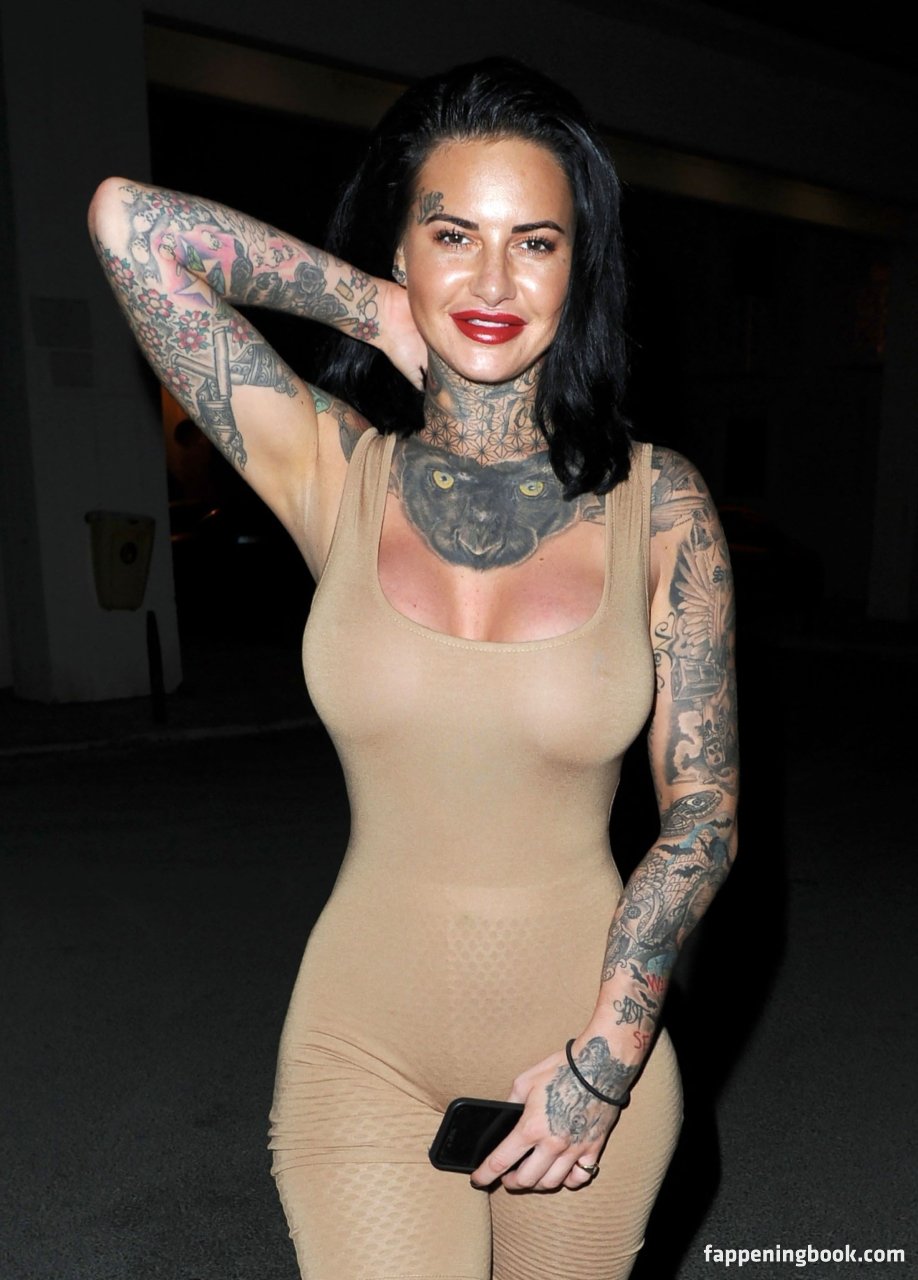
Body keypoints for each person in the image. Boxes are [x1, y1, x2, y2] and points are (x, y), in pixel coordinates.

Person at [88, 56, 738, 1280]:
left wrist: (608, 1057)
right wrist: (369, 305)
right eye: (453, 235)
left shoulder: (662, 506)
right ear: (403, 249)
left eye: (535, 242)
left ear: (580, 267)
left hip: (588, 1059)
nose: (492, 280)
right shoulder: (334, 470)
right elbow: (131, 224)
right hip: (360, 1050)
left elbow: (702, 810)